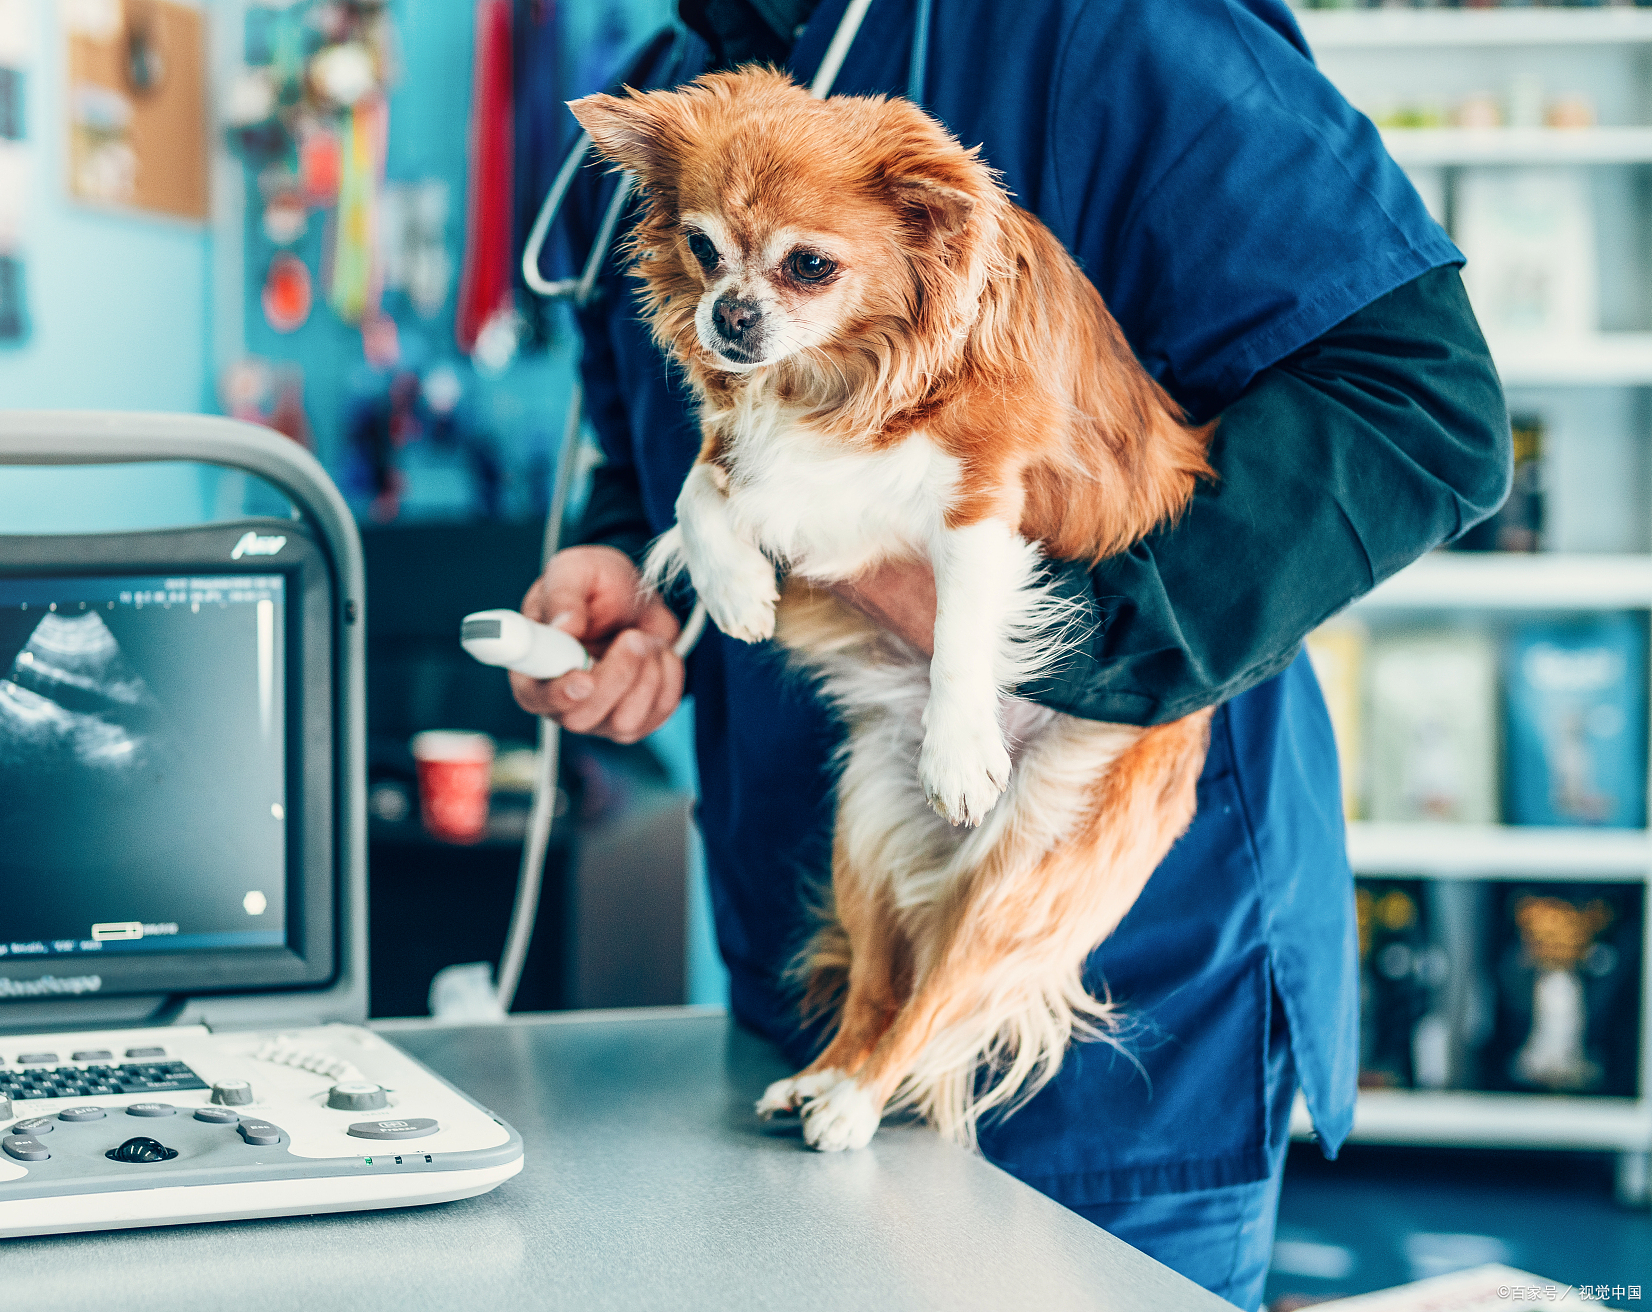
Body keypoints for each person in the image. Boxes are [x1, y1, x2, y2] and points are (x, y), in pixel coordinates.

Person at [511, 2, 1509, 1305]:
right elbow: (655, 386)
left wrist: (1064, 641)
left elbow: (1419, 402)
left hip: (1118, 1010)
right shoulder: (673, 87)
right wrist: (632, 555)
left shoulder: (1122, 29)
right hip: (797, 969)